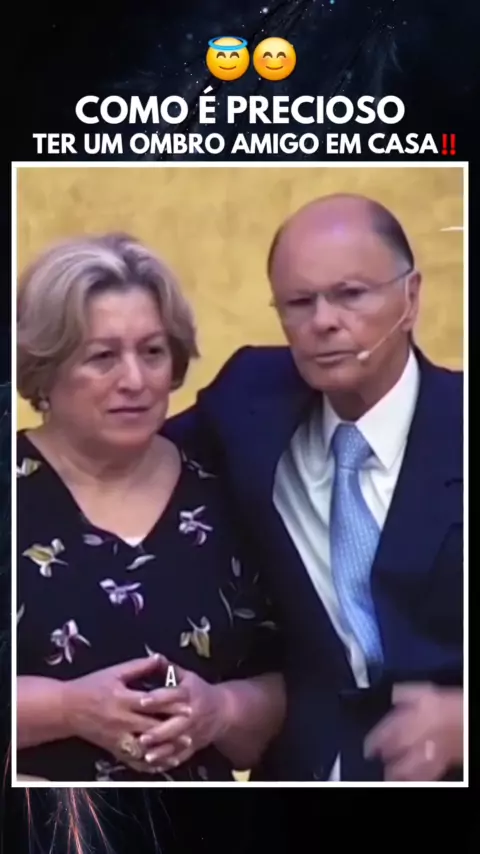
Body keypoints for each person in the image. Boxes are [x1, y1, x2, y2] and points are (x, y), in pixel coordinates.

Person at [165, 193, 464, 782]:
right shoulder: (250, 399)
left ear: (410, 298)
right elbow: (130, 459)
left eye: (351, 294)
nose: (324, 321)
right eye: (300, 302)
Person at [16, 232, 285, 783]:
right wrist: (66, 709)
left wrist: (220, 711)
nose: (135, 381)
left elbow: (288, 682)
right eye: (103, 357)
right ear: (45, 369)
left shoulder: (228, 492)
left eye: (153, 352)